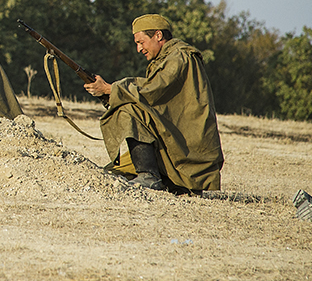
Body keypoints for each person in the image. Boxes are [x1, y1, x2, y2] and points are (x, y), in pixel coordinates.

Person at [83, 14, 224, 194]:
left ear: (158, 35)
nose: (138, 49)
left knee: (128, 109)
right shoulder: (168, 57)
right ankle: (159, 178)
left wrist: (111, 89)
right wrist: (107, 93)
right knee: (111, 175)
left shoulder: (179, 57)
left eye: (141, 42)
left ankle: (148, 176)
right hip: (173, 147)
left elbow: (152, 91)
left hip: (187, 154)